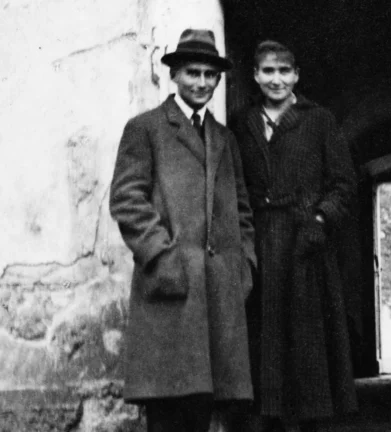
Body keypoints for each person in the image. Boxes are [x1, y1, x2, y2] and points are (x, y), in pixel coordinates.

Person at [109, 29, 256, 432]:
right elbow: (127, 199)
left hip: (218, 294)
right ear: (173, 75)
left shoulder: (224, 139)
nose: (202, 83)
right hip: (171, 289)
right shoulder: (146, 128)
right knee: (168, 410)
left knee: (205, 409)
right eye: (193, 73)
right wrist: (162, 256)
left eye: (210, 75)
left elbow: (241, 209)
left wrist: (244, 266)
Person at [230, 40, 358, 431]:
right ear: (255, 75)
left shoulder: (318, 120)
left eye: (284, 71)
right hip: (259, 243)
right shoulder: (242, 123)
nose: (277, 79)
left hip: (305, 245)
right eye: (268, 71)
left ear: (296, 75)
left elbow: (343, 183)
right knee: (264, 342)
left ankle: (312, 422)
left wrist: (320, 219)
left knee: (307, 343)